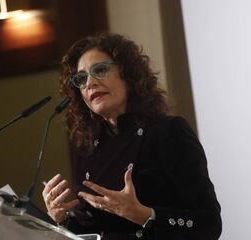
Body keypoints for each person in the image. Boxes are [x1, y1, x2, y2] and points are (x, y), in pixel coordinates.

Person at [41, 32, 222, 240]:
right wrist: (62, 218)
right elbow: (96, 229)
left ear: (127, 75)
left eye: (100, 70)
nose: (89, 83)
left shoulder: (168, 132)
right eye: (81, 79)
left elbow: (210, 224)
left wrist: (145, 215)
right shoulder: (87, 148)